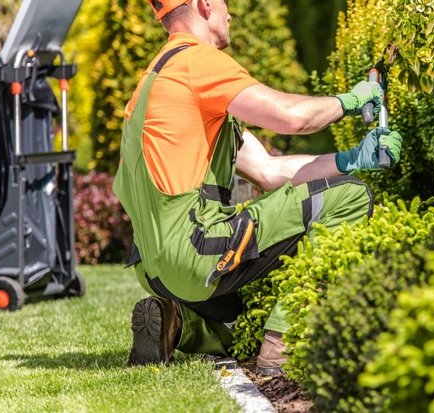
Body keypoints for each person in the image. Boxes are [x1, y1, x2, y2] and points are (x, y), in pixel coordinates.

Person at [113, 0, 402, 375]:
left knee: (249, 319)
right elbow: (292, 119)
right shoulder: (197, 62)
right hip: (195, 252)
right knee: (351, 196)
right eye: (224, 2)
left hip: (155, 270)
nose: (229, 12)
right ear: (204, 4)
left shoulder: (155, 80)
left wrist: (351, 159)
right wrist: (350, 100)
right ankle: (284, 342)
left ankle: (177, 321)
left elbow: (268, 171)